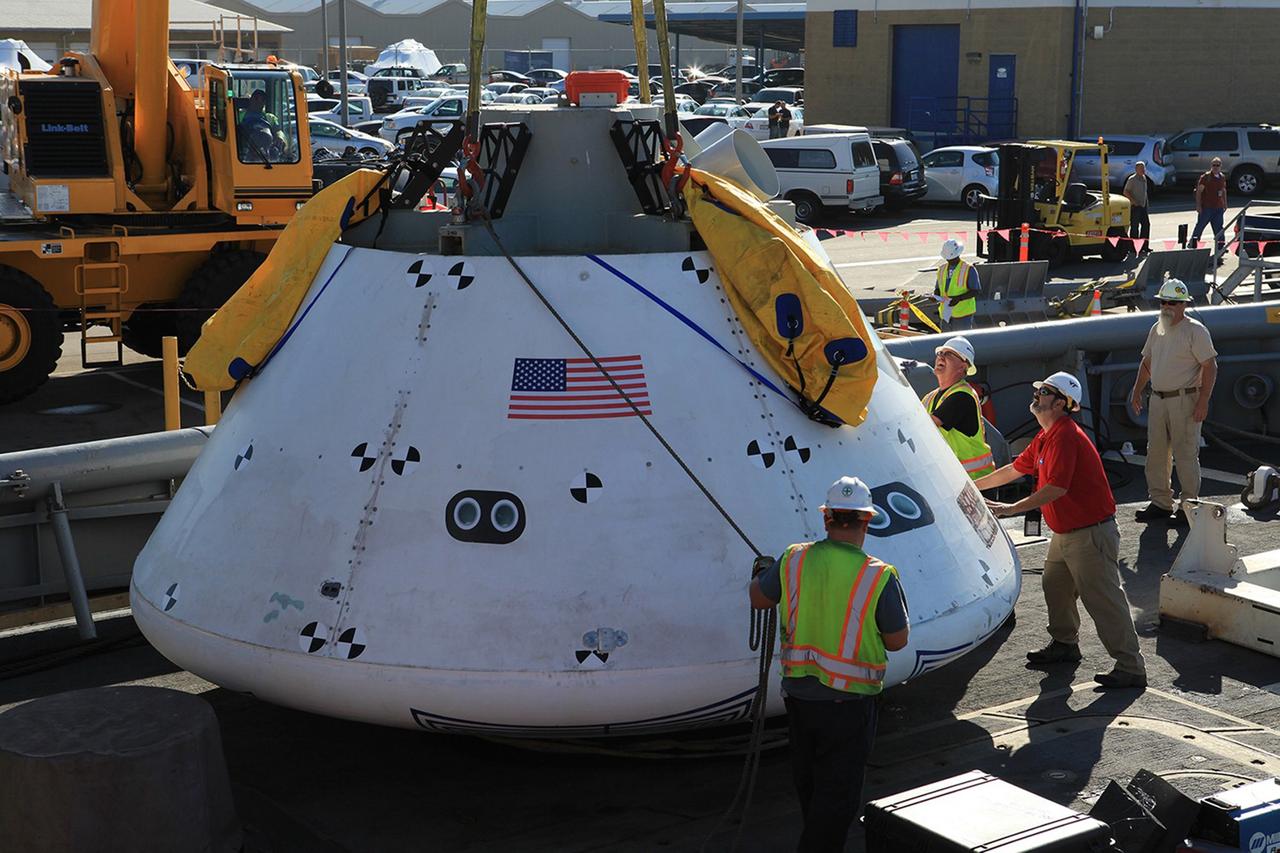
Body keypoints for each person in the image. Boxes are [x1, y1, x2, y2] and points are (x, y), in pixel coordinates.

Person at [749, 476, 910, 852]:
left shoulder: (794, 558)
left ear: (825, 517)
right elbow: (897, 641)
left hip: (801, 701)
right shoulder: (877, 575)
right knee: (836, 800)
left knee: (811, 788)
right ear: (868, 520)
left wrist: (761, 573)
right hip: (849, 705)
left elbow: (759, 598)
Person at [975, 371, 1147, 690]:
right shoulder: (1046, 435)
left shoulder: (1066, 436)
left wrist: (1011, 509)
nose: (1037, 396)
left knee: (1104, 600)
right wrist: (971, 486)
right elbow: (1015, 469)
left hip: (1089, 534)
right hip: (1067, 532)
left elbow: (1056, 488)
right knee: (1055, 585)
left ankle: (1131, 666)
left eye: (1043, 392)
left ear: (1061, 403)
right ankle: (1065, 645)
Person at [1129, 277, 1218, 528]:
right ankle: (1160, 502)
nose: (1167, 306)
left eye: (1173, 302)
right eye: (1164, 302)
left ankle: (1189, 505)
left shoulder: (1196, 331)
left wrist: (1203, 401)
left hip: (1185, 399)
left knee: (1186, 453)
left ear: (1184, 305)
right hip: (1158, 399)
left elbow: (1210, 365)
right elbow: (1147, 363)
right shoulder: (1156, 329)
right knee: (1155, 453)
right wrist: (1137, 391)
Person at [921, 336, 995, 479]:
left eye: (948, 354)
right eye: (940, 353)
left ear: (963, 367)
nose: (941, 357)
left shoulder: (962, 396)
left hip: (976, 482)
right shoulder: (930, 397)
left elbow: (924, 425)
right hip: (954, 479)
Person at [935, 239, 981, 331]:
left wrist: (958, 299)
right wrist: (935, 296)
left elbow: (976, 291)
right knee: (947, 341)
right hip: (946, 314)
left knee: (960, 340)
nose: (949, 260)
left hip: (963, 314)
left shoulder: (968, 269)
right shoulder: (942, 269)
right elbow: (938, 288)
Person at [1190, 156, 1228, 259]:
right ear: (1211, 166)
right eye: (1214, 165)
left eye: (1217, 165)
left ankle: (1221, 247)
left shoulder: (1222, 177)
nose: (1215, 167)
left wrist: (1225, 203)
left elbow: (1223, 190)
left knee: (1219, 229)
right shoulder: (1205, 177)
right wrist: (1198, 205)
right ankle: (1192, 246)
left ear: (1220, 166)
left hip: (1218, 208)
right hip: (1206, 207)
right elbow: (1199, 191)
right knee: (1200, 227)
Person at [238, 89, 283, 162]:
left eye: (261, 100)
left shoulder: (270, 117)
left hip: (266, 152)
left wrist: (280, 137)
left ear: (264, 103)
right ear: (251, 100)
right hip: (242, 152)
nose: (257, 102)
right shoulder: (240, 115)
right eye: (255, 99)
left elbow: (278, 131)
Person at [1123, 161, 1153, 256]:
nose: (1143, 170)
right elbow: (1126, 191)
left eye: (1144, 168)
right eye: (1141, 169)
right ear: (1136, 169)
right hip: (1135, 206)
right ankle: (1133, 247)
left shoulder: (1144, 178)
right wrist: (1134, 202)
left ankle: (1144, 246)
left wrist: (1146, 203)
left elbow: (1144, 192)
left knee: (1146, 225)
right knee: (1135, 227)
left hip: (1143, 206)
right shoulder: (1132, 179)